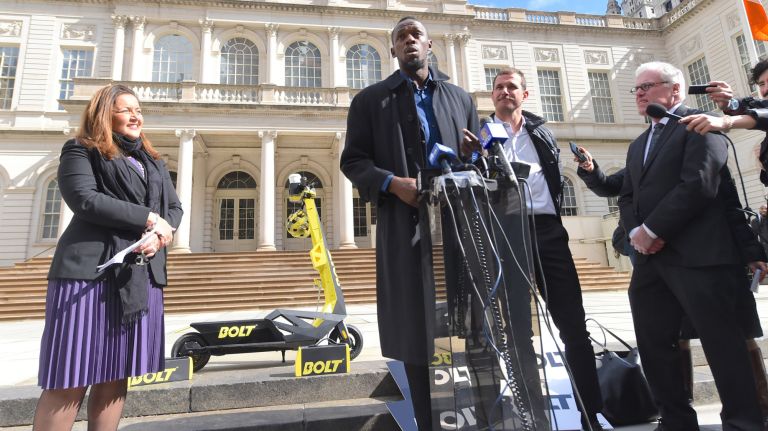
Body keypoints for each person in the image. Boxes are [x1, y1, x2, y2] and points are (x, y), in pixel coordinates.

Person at [340, 17, 478, 430]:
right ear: (393, 50)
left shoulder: (461, 98)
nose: (409, 40)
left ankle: (470, 416)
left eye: (415, 34)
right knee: (416, 328)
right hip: (405, 227)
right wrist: (390, 183)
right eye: (401, 36)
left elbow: (473, 164)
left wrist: (476, 157)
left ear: (430, 44)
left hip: (456, 228)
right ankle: (427, 420)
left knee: (464, 321)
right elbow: (353, 161)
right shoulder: (370, 101)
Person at [618, 61, 763, 430]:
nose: (640, 94)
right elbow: (627, 197)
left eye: (648, 86)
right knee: (653, 344)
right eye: (637, 89)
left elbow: (699, 184)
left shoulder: (701, 124)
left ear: (675, 90)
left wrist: (653, 229)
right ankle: (676, 421)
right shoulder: (638, 145)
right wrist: (637, 233)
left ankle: (743, 422)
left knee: (723, 345)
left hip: (700, 257)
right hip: (651, 263)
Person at [576, 145, 768, 418]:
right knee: (675, 337)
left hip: (712, 259)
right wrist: (593, 171)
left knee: (736, 334)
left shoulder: (704, 141)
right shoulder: (644, 153)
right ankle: (679, 410)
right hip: (664, 264)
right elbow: (614, 188)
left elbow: (729, 203)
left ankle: (756, 406)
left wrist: (751, 251)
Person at [32, 84, 182, 431]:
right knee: (70, 375)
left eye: (139, 109)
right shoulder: (81, 150)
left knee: (116, 375)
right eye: (125, 109)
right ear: (103, 113)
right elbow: (84, 198)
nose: (136, 115)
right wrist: (147, 218)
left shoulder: (153, 161)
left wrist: (160, 234)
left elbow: (173, 207)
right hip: (89, 275)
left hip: (138, 276)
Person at [463, 67, 605, 430]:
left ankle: (592, 413)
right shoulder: (479, 135)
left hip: (547, 232)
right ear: (491, 95)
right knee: (517, 331)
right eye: (498, 87)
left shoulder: (540, 131)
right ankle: (534, 418)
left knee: (573, 326)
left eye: (512, 87)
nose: (504, 92)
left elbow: (555, 178)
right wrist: (471, 157)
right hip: (506, 235)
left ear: (524, 95)